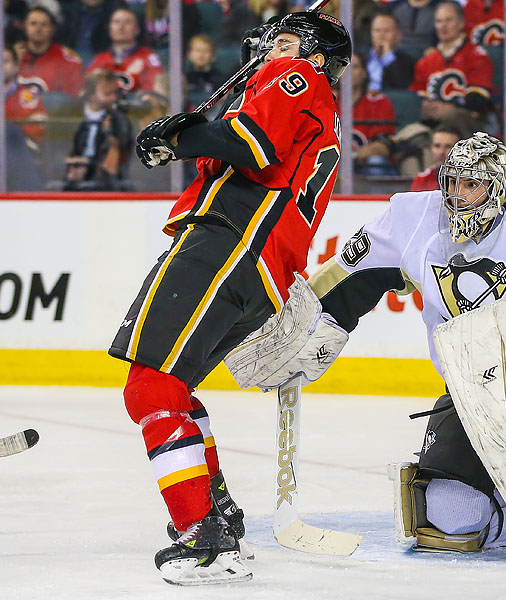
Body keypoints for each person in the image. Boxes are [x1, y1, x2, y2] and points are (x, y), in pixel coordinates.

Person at [225, 132, 506, 560]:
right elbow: (346, 282)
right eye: (452, 183)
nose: (457, 195)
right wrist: (298, 330)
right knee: (450, 520)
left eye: (471, 184)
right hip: (468, 382)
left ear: (499, 186)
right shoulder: (413, 218)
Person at [107, 12, 351, 585]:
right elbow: (239, 145)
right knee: (172, 385)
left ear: (314, 57)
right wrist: (191, 137)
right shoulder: (297, 91)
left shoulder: (297, 76)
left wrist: (180, 137)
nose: (269, 48)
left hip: (231, 242)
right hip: (254, 263)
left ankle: (204, 538)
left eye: (284, 41)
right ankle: (214, 514)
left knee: (151, 386)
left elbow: (252, 145)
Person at [410, 1, 494, 120]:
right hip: (431, 121)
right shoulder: (426, 61)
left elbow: (477, 98)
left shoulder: (477, 56)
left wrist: (453, 109)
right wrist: (425, 108)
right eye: (439, 21)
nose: (443, 26)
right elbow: (417, 96)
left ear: (461, 23)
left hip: (467, 120)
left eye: (449, 20)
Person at [63, 68, 132, 191]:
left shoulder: (119, 121)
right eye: (107, 94)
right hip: (71, 176)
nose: (113, 98)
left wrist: (110, 135)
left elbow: (123, 157)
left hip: (105, 182)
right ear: (91, 94)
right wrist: (71, 164)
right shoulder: (69, 115)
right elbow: (55, 149)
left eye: (114, 93)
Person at [86, 8, 163, 94]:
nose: (121, 27)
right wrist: (130, 75)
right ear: (110, 29)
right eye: (116, 22)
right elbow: (89, 90)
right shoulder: (99, 58)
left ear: (137, 29)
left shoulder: (148, 57)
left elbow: (154, 91)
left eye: (127, 22)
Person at [18, 6, 83, 97]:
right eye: (33, 24)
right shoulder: (12, 55)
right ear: (25, 27)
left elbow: (73, 100)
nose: (38, 29)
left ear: (53, 29)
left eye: (44, 24)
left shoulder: (68, 60)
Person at [3, 44, 47, 152]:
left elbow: (37, 130)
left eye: (5, 61)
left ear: (16, 66)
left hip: (17, 153)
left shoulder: (29, 97)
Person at [366, 12, 417, 91]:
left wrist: (388, 56)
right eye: (377, 30)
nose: (381, 35)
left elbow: (401, 86)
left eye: (387, 31)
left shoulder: (407, 61)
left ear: (398, 36)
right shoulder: (360, 58)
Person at [411, 124, 461, 190]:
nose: (441, 152)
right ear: (431, 148)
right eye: (437, 146)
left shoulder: (470, 179)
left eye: (448, 146)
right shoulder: (421, 180)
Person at [185, 34, 227, 101]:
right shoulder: (183, 79)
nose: (201, 55)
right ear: (190, 55)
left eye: (205, 51)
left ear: (213, 56)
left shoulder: (221, 80)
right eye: (197, 50)